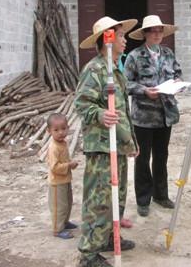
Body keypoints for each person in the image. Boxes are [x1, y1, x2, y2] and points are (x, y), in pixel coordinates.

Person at [75, 16, 139, 267]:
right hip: (101, 146)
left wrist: (130, 141)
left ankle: (109, 238)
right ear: (108, 39)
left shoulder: (115, 68)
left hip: (117, 144)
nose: (125, 40)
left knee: (117, 194)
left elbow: (122, 110)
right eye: (121, 35)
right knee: (99, 200)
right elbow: (82, 104)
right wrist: (100, 114)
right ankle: (88, 254)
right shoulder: (95, 69)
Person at [124, 15, 182, 217]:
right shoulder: (134, 56)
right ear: (145, 34)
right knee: (142, 158)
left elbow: (177, 73)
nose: (157, 34)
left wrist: (177, 85)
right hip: (143, 117)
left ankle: (161, 195)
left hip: (165, 115)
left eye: (160, 31)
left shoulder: (167, 53)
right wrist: (144, 90)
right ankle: (143, 199)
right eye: (153, 31)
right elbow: (126, 84)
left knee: (161, 156)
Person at [46, 113, 79, 239]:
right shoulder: (53, 147)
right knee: (58, 206)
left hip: (65, 179)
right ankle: (57, 229)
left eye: (63, 129)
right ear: (49, 131)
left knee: (67, 203)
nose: (61, 132)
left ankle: (64, 222)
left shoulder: (63, 143)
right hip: (56, 182)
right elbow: (54, 167)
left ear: (68, 127)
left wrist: (69, 165)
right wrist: (69, 165)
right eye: (56, 130)